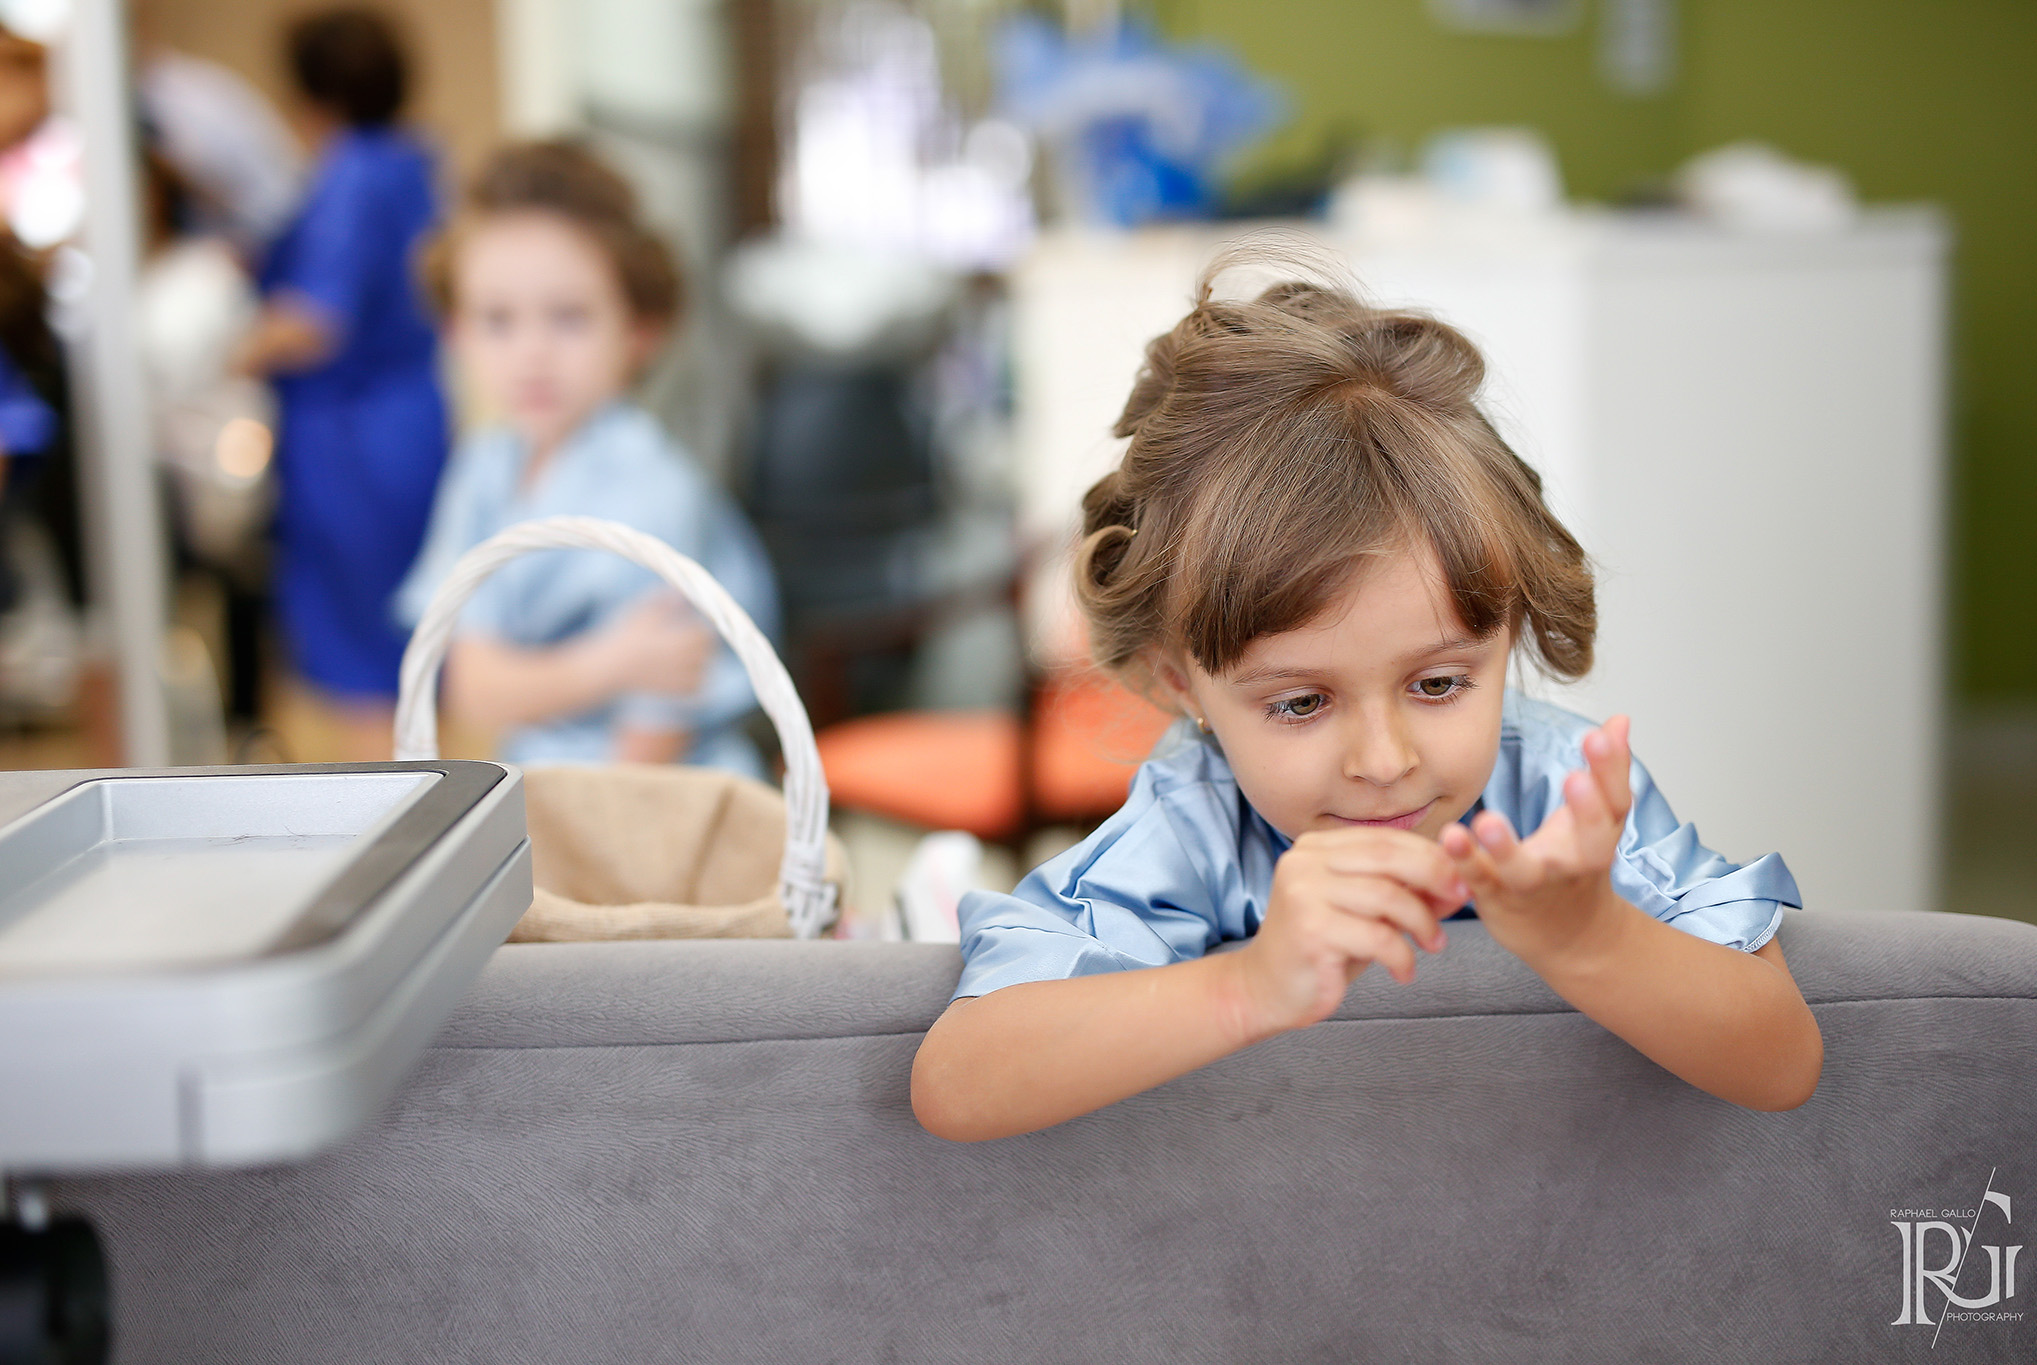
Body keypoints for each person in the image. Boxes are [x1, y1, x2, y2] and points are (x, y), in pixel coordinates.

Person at [911, 249, 1823, 1142]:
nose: (1384, 762)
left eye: (1438, 683)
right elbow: (957, 1083)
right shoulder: (1194, 825)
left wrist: (1591, 937)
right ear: (1179, 681)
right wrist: (1246, 986)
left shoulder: (1560, 798)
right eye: (1300, 703)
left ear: (1508, 630)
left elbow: (1783, 1063)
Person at [396, 141, 778, 774]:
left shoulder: (655, 491)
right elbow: (472, 688)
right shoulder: (482, 468)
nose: (532, 352)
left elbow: (654, 737)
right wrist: (609, 664)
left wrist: (533, 684)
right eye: (497, 319)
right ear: (456, 332)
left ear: (639, 329)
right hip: (537, 780)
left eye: (569, 318)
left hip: (656, 795)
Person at [236, 8, 445, 759]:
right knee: (405, 638)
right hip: (411, 422)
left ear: (312, 93)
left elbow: (315, 321)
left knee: (364, 656)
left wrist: (229, 352)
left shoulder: (350, 173)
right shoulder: (412, 162)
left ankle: (398, 808)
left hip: (352, 443)